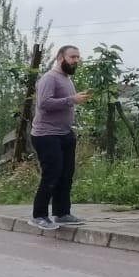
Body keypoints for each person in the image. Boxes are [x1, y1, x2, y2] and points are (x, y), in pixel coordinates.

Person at [30, 45, 91, 231]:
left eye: (78, 57)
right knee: (52, 174)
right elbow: (44, 104)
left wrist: (73, 100)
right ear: (60, 58)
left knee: (66, 175)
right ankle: (39, 215)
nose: (76, 60)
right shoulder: (49, 78)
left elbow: (64, 103)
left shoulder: (66, 79)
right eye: (72, 57)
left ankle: (62, 213)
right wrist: (72, 100)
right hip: (46, 135)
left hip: (65, 134)